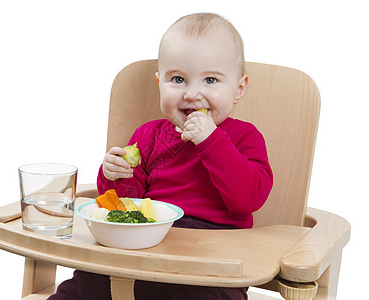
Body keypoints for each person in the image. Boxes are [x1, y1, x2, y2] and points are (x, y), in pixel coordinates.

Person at [49, 12, 273, 300]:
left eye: (211, 80)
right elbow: (126, 207)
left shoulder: (244, 137)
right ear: (160, 83)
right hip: (141, 254)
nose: (192, 93)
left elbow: (249, 199)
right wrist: (113, 175)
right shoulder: (147, 137)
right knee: (82, 285)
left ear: (239, 88)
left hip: (210, 269)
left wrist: (212, 141)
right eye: (178, 79)